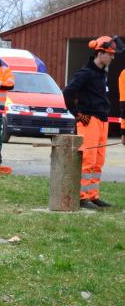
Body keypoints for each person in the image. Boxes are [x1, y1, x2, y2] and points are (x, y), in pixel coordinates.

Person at [64, 36, 122, 209]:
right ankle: (82, 197)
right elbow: (67, 92)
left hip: (102, 121)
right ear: (100, 53)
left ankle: (93, 195)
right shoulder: (85, 73)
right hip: (89, 121)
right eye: (110, 54)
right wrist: (77, 115)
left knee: (98, 162)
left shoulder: (101, 74)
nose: (113, 57)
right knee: (88, 160)